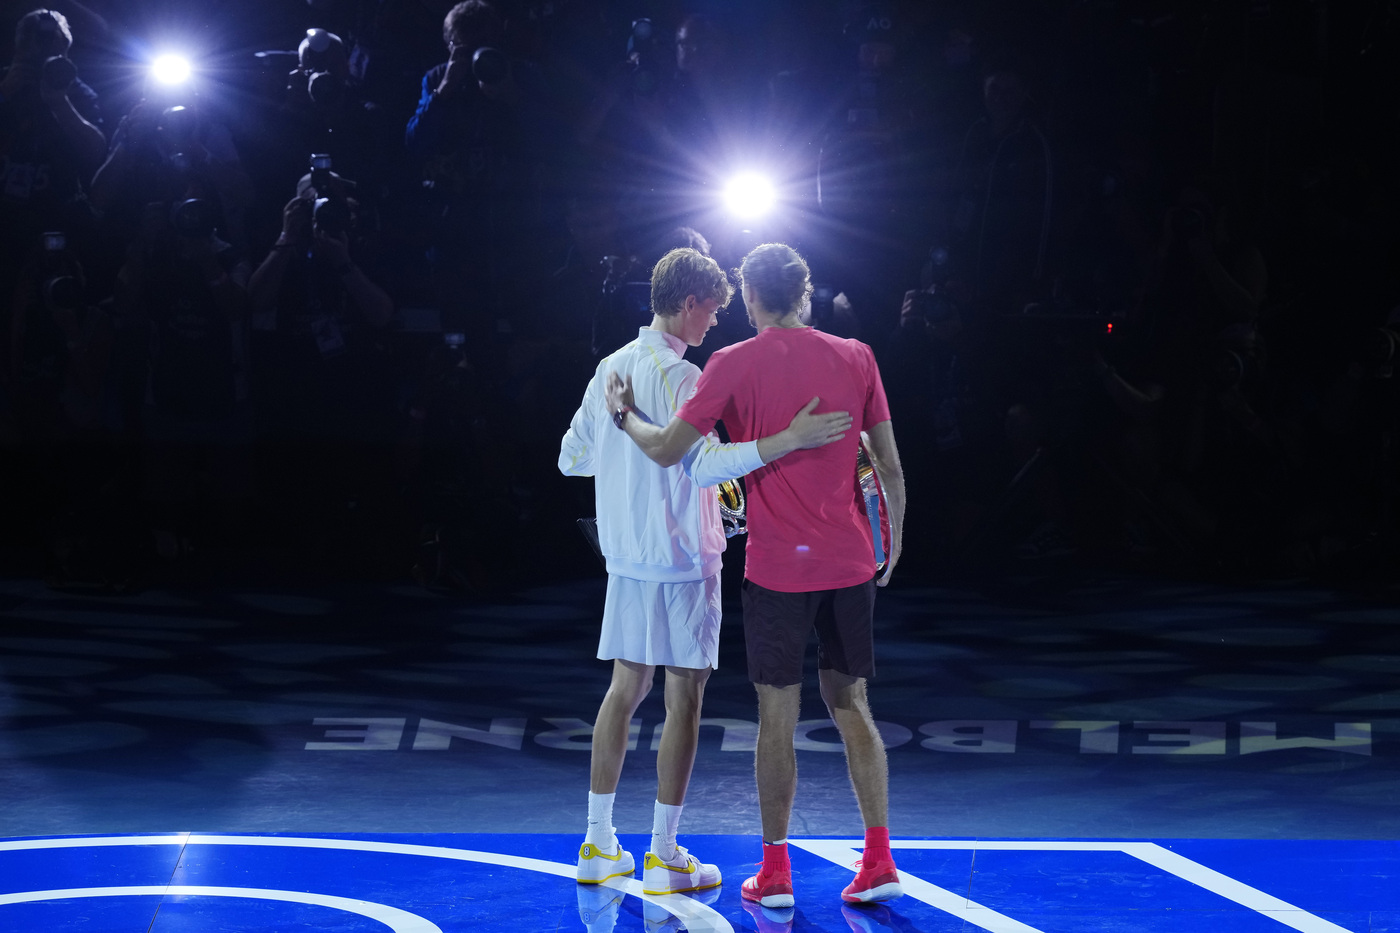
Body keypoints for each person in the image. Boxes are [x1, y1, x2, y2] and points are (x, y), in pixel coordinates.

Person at [605, 242, 906, 907]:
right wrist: (893, 544)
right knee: (852, 705)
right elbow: (888, 466)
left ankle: (775, 875)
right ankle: (879, 858)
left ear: (747, 297)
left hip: (776, 573)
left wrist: (624, 413)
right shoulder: (857, 355)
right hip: (851, 564)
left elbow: (665, 451)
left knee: (778, 715)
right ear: (804, 291)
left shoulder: (730, 363)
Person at [559, 247, 852, 897]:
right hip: (686, 561)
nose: (718, 320)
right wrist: (784, 442)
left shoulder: (611, 368)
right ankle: (663, 854)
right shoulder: (686, 378)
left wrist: (628, 470)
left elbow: (572, 459)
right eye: (714, 309)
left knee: (623, 692)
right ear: (689, 304)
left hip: (627, 560)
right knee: (682, 700)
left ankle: (597, 843)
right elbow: (706, 467)